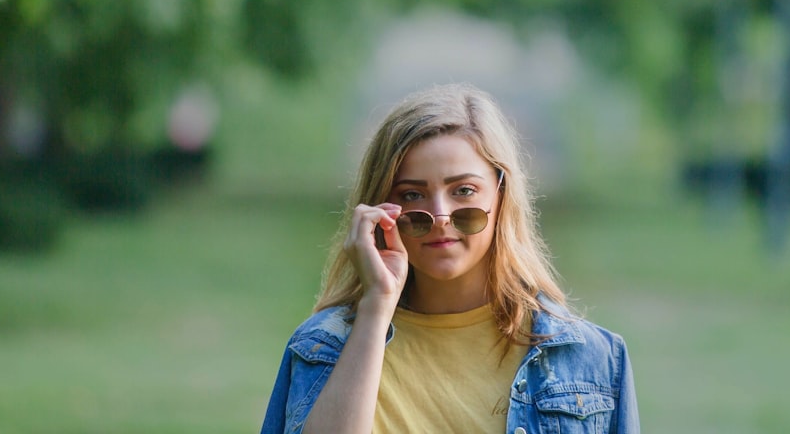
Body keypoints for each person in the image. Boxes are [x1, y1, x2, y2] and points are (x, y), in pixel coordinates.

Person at [260, 83, 641, 433]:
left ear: (501, 196)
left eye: (463, 190)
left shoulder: (592, 359)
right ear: (380, 208)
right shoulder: (320, 348)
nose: (440, 216)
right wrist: (376, 306)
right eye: (412, 195)